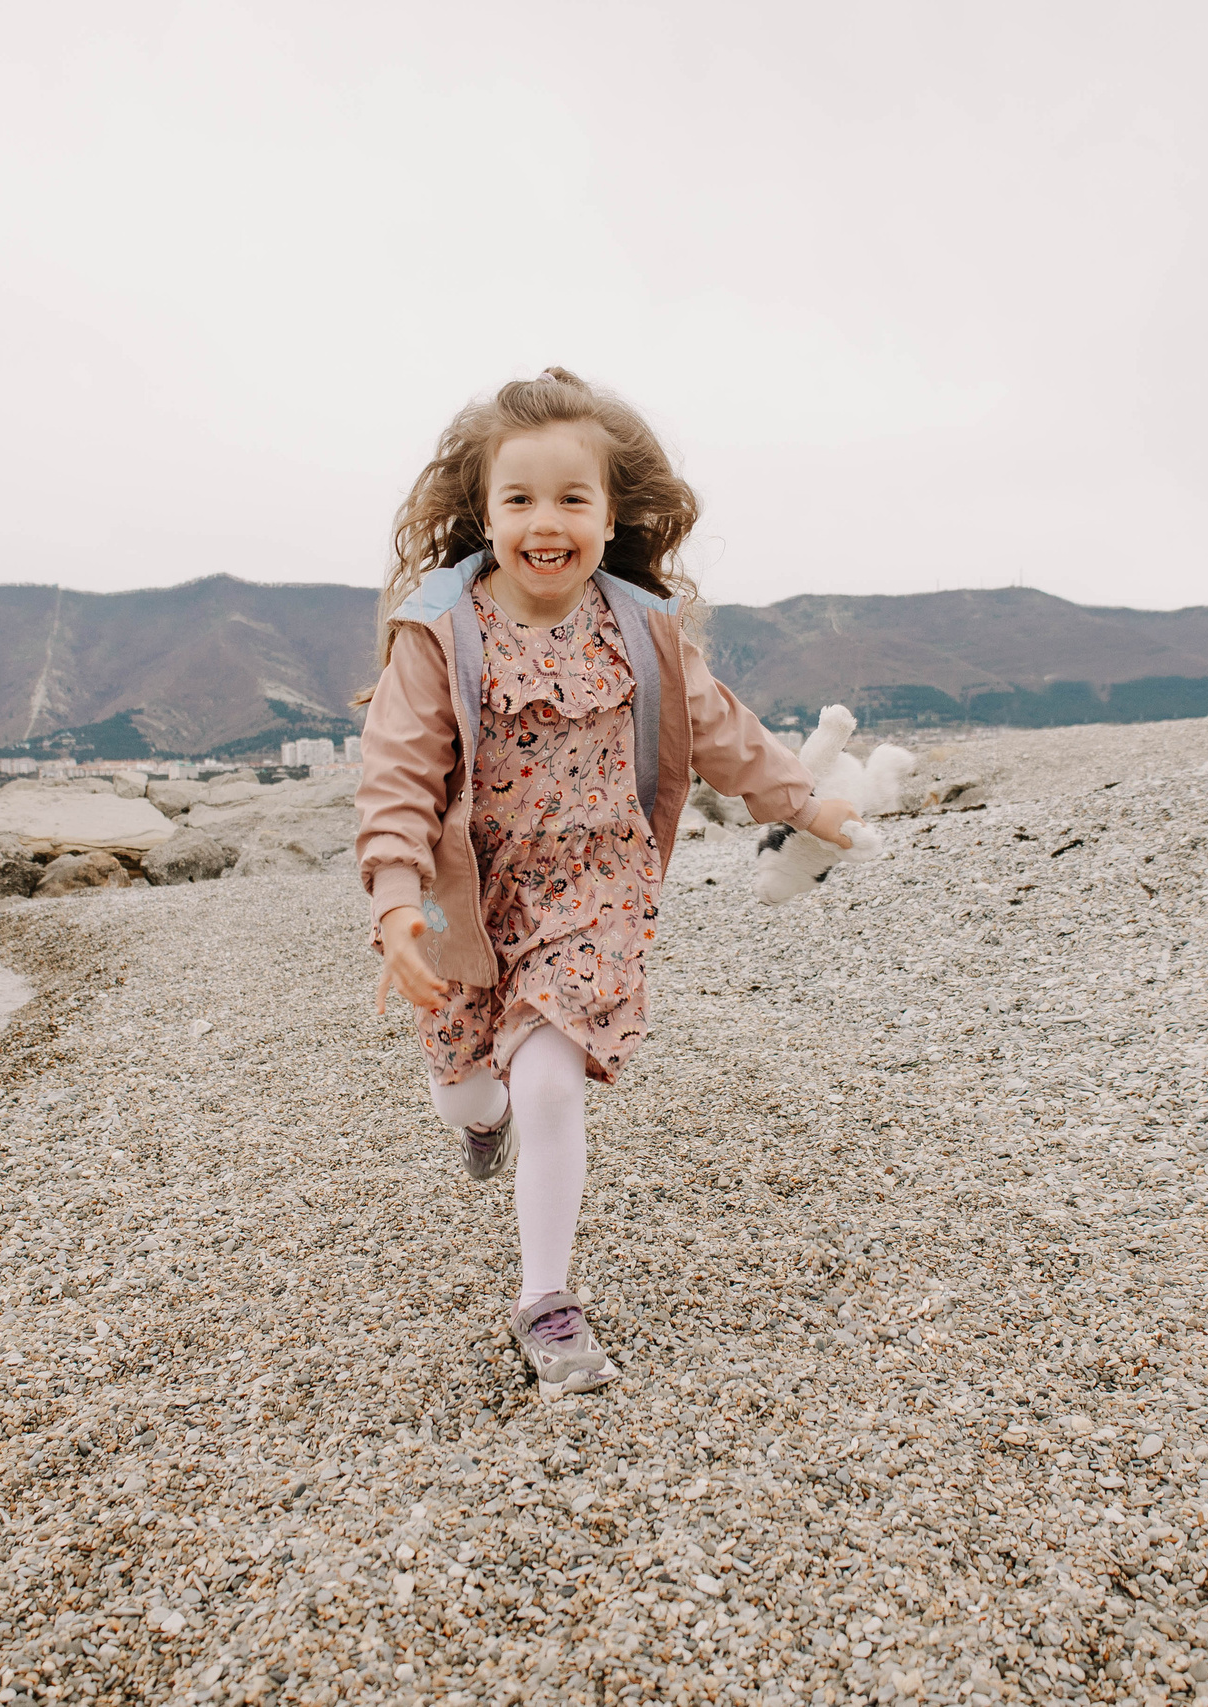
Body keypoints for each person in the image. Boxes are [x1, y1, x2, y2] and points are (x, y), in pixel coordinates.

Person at [355, 367, 862, 1399]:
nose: (548, 522)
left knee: (548, 1081)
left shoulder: (639, 627)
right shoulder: (440, 630)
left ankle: (545, 1302)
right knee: (467, 1084)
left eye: (572, 498)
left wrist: (804, 805)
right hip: (469, 898)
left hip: (594, 890)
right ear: (484, 512)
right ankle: (477, 1117)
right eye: (521, 499)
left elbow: (719, 732)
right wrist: (398, 898)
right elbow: (398, 773)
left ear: (610, 512)